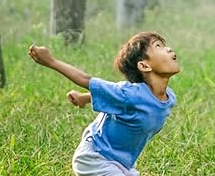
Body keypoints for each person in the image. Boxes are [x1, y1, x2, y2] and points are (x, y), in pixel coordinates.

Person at [29, 32, 180, 176]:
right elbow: (86, 80)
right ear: (144, 66)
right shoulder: (130, 94)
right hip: (95, 157)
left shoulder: (169, 98)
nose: (169, 49)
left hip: (123, 164)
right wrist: (51, 61)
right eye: (158, 46)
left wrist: (83, 98)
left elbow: (113, 97)